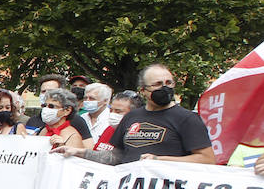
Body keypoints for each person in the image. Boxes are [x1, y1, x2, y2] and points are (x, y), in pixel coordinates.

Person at [57, 64, 214, 165]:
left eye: (169, 83)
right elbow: (116, 156)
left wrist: (159, 160)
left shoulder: (187, 119)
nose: (165, 88)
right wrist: (81, 152)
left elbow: (207, 159)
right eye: (158, 84)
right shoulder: (131, 117)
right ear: (143, 90)